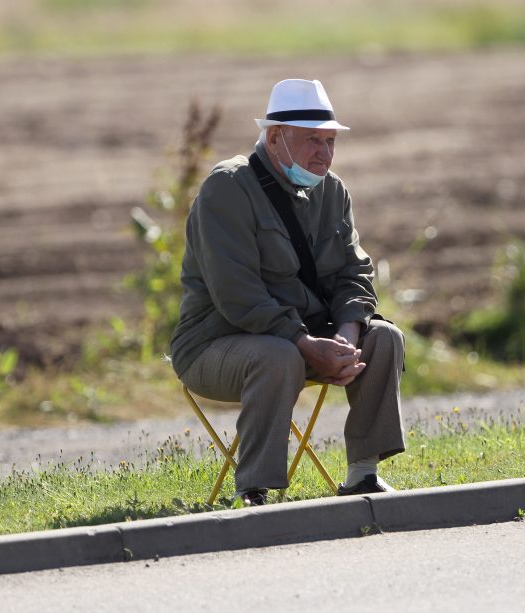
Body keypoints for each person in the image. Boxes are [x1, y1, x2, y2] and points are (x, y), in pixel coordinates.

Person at [170, 78, 405, 506]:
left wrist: (346, 339)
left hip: (304, 342)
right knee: (277, 354)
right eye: (312, 140)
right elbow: (237, 294)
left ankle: (363, 475)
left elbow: (355, 273)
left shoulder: (332, 190)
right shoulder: (227, 187)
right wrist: (303, 343)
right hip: (215, 345)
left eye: (330, 140)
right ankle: (253, 490)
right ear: (275, 138)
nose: (325, 153)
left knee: (384, 338)